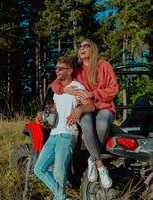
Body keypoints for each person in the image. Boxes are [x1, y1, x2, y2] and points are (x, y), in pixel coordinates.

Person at [52, 39, 119, 189]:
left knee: (102, 123)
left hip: (104, 106)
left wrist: (92, 93)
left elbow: (113, 89)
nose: (81, 48)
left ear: (93, 49)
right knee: (87, 123)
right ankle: (100, 165)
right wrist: (64, 90)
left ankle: (91, 159)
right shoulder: (76, 69)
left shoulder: (104, 65)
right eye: (79, 46)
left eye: (85, 46)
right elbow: (56, 83)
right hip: (85, 107)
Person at [34, 56, 95, 200]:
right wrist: (44, 113)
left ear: (70, 70)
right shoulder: (58, 90)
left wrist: (79, 110)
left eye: (60, 68)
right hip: (53, 134)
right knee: (39, 169)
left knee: (59, 174)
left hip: (67, 135)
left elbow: (91, 105)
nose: (57, 71)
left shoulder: (77, 87)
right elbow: (55, 107)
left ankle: (60, 197)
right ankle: (61, 196)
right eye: (56, 68)